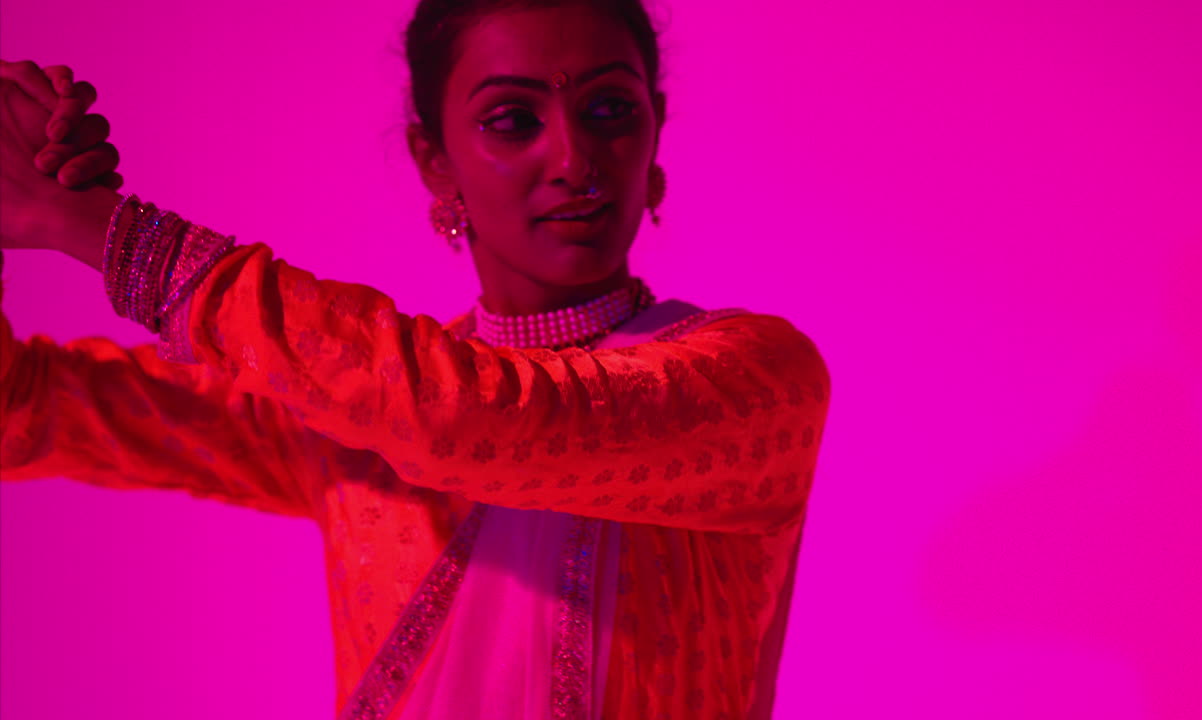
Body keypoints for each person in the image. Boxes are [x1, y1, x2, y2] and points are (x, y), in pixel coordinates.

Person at [0, 1, 831, 718]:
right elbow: (26, 410)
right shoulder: (345, 406)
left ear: (654, 128)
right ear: (435, 161)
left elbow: (471, 420)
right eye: (511, 120)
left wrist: (102, 229)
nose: (575, 161)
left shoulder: (752, 381)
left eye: (610, 110)